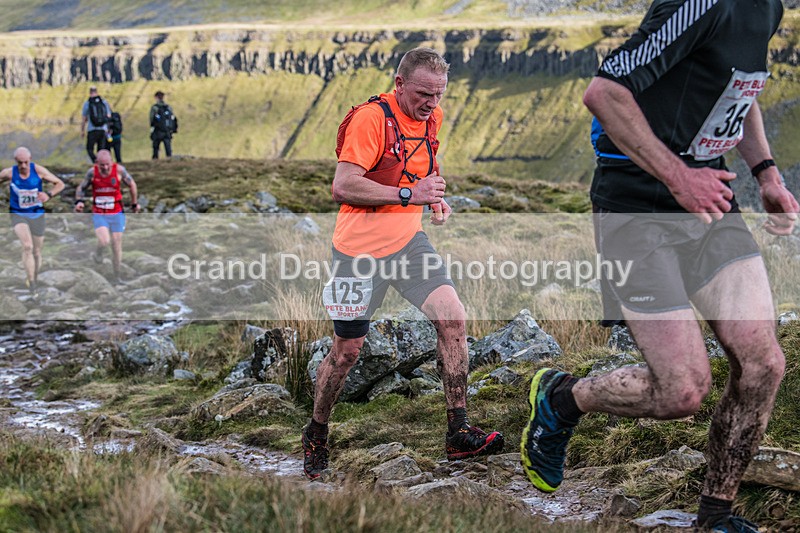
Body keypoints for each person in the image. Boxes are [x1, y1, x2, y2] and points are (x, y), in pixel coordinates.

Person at [521, 1, 799, 532]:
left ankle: (714, 516)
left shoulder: (767, 7)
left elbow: (735, 91)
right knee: (682, 392)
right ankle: (562, 397)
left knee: (764, 364)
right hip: (634, 206)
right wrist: (677, 176)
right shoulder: (700, 3)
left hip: (708, 200)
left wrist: (765, 175)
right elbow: (603, 93)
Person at [301, 47, 504, 481]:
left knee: (452, 318)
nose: (432, 102)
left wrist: (436, 196)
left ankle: (458, 434)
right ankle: (316, 432)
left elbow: (417, 169)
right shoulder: (370, 119)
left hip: (409, 245)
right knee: (346, 352)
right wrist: (411, 196)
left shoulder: (433, 118)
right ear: (399, 85)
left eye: (439, 94)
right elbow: (343, 185)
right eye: (423, 93)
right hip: (357, 253)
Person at [0, 147, 64, 296]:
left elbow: (60, 184)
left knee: (36, 251)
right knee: (27, 246)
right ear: (15, 161)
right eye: (20, 163)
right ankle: (32, 286)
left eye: (26, 162)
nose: (23, 166)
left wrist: (49, 194)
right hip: (18, 213)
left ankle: (33, 278)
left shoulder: (39, 171)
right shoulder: (9, 173)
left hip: (36, 214)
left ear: (30, 160)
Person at [74, 150, 141, 285]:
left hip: (116, 212)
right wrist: (79, 202)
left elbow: (132, 184)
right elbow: (81, 187)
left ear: (112, 162)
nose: (105, 168)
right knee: (105, 241)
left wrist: (134, 203)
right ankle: (98, 253)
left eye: (107, 165)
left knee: (116, 244)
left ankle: (117, 277)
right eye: (102, 165)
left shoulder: (120, 171)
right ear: (96, 163)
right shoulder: (92, 173)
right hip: (100, 213)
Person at [81, 86, 112, 163]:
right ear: (97, 92)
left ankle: (96, 162)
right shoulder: (104, 102)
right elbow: (109, 116)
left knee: (89, 149)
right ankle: (101, 163)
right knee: (101, 149)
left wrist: (82, 130)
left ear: (90, 92)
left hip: (92, 130)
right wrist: (108, 128)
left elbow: (84, 118)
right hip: (103, 129)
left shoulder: (87, 103)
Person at [150, 91, 176, 159]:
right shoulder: (168, 107)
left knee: (156, 147)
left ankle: (155, 161)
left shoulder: (154, 108)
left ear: (156, 97)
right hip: (167, 131)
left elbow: (151, 119)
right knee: (168, 148)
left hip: (158, 130)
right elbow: (172, 118)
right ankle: (169, 160)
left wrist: (152, 129)